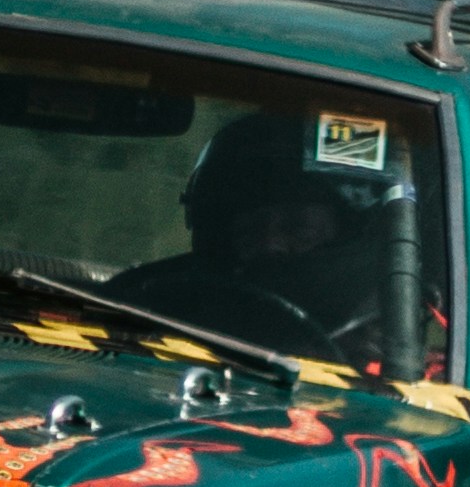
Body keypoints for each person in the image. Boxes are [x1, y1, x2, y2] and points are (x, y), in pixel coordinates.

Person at [110, 113, 413, 364]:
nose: (270, 243)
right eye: (250, 229)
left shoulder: (398, 342)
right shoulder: (152, 302)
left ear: (351, 231)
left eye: (298, 230)